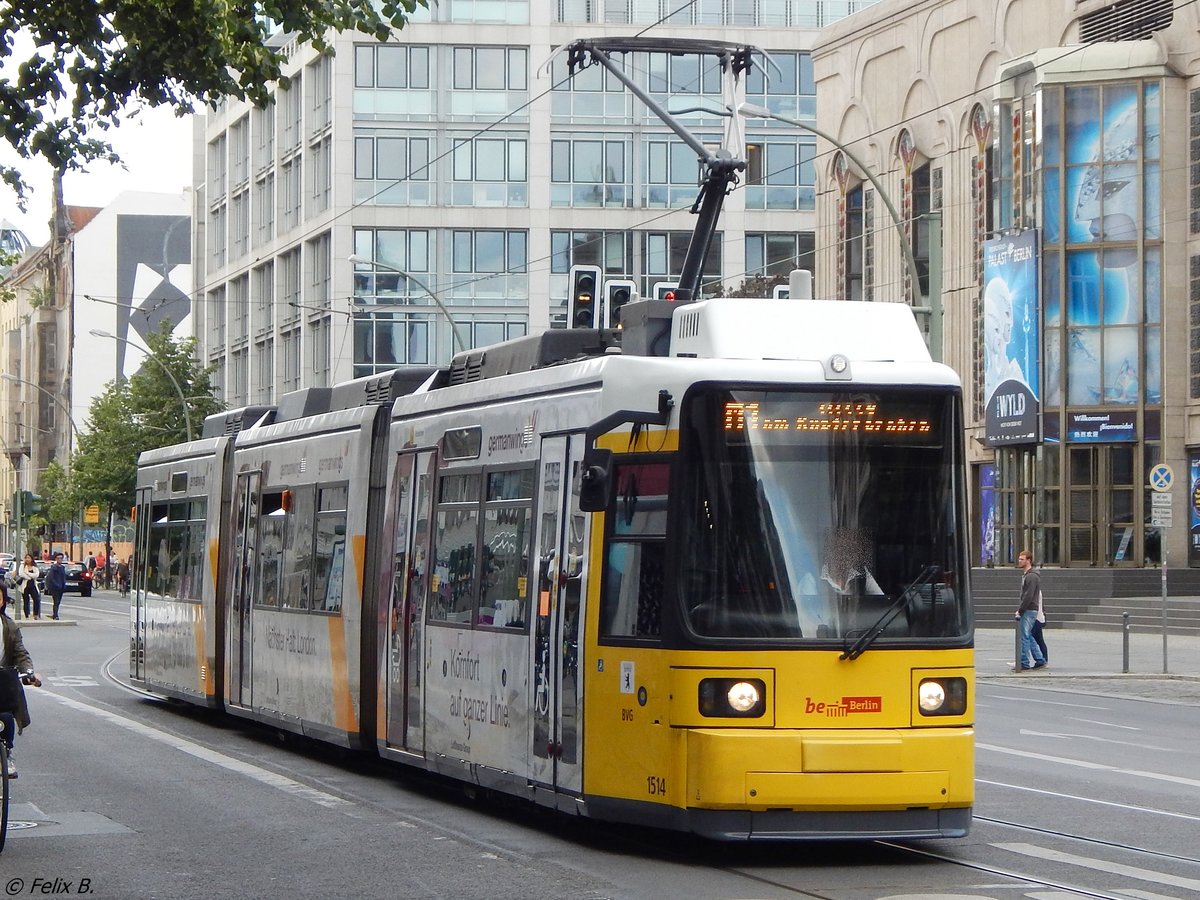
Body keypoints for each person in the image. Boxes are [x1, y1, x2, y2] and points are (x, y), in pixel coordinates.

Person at [1, 583, 43, 778]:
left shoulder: (9, 627)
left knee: (6, 716)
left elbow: (21, 654)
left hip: (2, 680)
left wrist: (29, 672)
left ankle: (7, 752)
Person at [1014, 549, 1047, 671]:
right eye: (1019, 559)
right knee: (1029, 636)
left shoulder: (1031, 576)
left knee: (1024, 637)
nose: (1019, 561)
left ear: (1029, 560)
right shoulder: (1029, 575)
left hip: (1029, 609)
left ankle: (1024, 662)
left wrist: (1021, 610)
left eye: (1022, 559)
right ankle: (1040, 659)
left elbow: (1028, 595)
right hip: (1029, 609)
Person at [17, 552, 42, 620]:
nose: (27, 559)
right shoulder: (22, 566)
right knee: (26, 601)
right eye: (26, 558)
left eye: (29, 558)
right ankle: (27, 615)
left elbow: (36, 575)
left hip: (32, 585)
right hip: (25, 585)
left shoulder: (34, 566)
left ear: (31, 559)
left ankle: (35, 614)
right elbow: (21, 574)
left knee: (36, 599)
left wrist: (27, 573)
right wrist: (29, 577)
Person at [45, 552, 67, 620]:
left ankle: (55, 614)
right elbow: (51, 578)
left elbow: (63, 577)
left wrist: (64, 585)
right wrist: (56, 585)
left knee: (58, 602)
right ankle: (55, 615)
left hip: (61, 588)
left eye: (61, 558)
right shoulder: (54, 568)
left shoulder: (62, 567)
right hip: (55, 588)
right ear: (56, 559)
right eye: (58, 558)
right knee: (56, 601)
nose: (60, 560)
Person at [1032, 586, 1049, 665]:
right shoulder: (1038, 590)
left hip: (1036, 618)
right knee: (1039, 640)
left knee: (1028, 638)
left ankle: (1040, 659)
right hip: (1039, 617)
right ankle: (1044, 659)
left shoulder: (1034, 591)